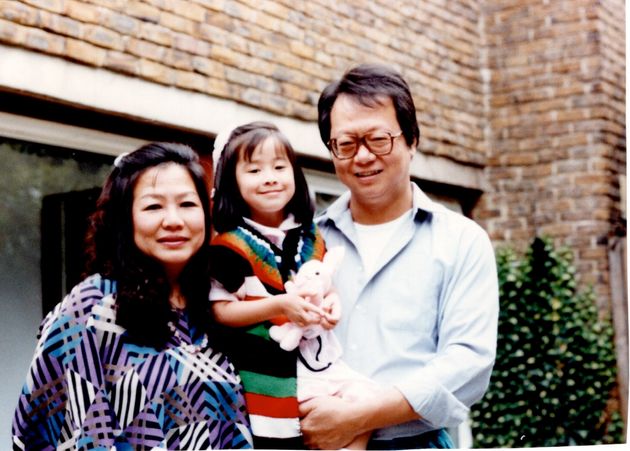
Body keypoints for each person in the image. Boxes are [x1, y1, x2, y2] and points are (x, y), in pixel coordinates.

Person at [299, 63, 500, 449]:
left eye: (378, 139)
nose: (362, 157)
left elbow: (468, 362)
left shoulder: (461, 240)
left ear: (411, 140)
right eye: (345, 143)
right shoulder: (309, 241)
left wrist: (358, 416)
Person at [12, 143, 253, 450]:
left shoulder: (219, 307)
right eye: (154, 207)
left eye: (187, 205)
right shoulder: (93, 308)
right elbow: (35, 432)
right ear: (124, 219)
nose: (174, 220)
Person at [210, 121, 378, 449]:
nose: (270, 177)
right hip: (272, 373)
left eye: (279, 166)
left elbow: (324, 285)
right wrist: (278, 306)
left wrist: (332, 305)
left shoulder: (309, 236)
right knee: (326, 425)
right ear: (232, 182)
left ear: (295, 175)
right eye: (254, 170)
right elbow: (220, 311)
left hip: (321, 361)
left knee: (366, 406)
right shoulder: (229, 247)